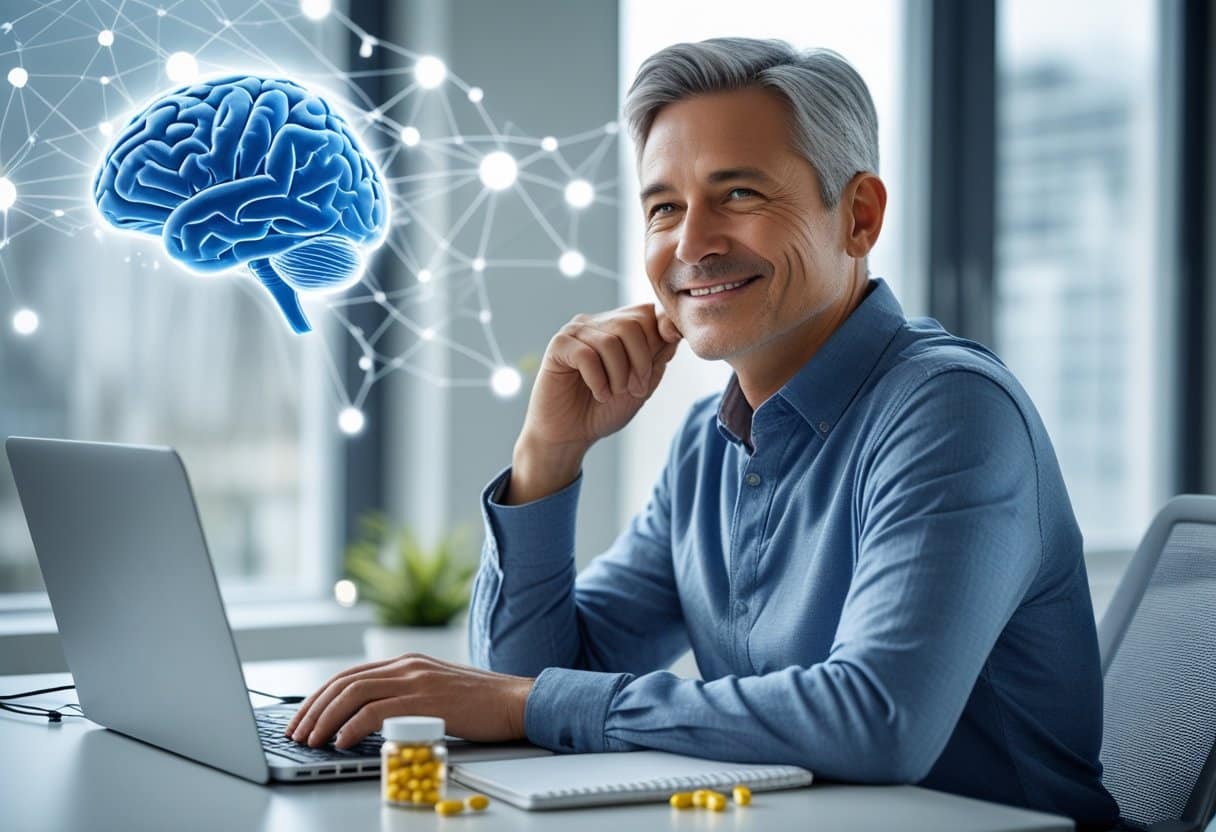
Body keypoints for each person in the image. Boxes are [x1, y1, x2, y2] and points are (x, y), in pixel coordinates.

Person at [285, 37, 1119, 829]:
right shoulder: (706, 444)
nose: (692, 245)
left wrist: (521, 704)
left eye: (740, 195)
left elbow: (878, 718)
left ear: (858, 216)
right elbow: (531, 675)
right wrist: (548, 457)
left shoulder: (950, 412)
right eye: (663, 207)